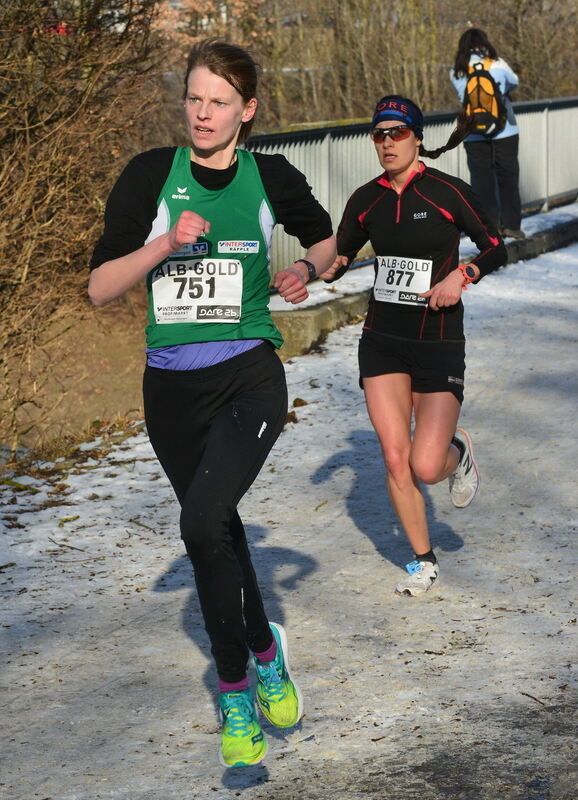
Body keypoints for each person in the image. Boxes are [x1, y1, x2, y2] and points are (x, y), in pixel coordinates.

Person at [88, 38, 336, 768]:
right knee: (216, 529)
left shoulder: (269, 176)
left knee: (199, 519)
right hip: (169, 388)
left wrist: (307, 275)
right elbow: (101, 287)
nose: (202, 112)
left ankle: (233, 692)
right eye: (194, 98)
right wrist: (163, 245)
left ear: (246, 111)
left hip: (248, 377)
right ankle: (264, 648)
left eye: (218, 102)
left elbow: (326, 242)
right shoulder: (148, 177)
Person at [321, 95, 507, 597]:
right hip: (381, 342)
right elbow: (340, 254)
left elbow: (496, 247)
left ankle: (458, 450)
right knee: (395, 457)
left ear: (418, 137)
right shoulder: (367, 198)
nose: (386, 142)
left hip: (438, 342)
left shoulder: (447, 191)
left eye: (397, 133)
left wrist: (461, 276)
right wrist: (308, 270)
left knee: (427, 465)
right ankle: (423, 561)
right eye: (379, 134)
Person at [451, 28, 525, 239]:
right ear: (485, 43)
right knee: (508, 177)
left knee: (481, 181)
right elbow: (514, 82)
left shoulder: (457, 70)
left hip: (473, 132)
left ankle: (488, 229)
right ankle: (511, 226)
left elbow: (460, 93)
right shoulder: (498, 63)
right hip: (505, 130)